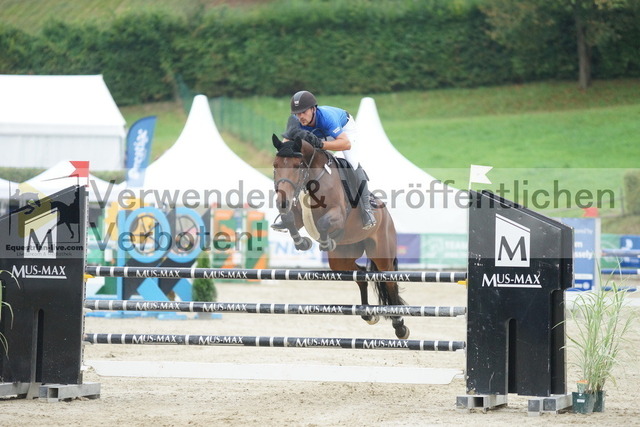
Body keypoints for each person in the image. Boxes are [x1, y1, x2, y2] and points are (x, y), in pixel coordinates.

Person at [272, 90, 376, 231]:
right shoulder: (296, 121)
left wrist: (321, 145)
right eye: (297, 113)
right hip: (318, 135)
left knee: (352, 162)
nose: (300, 116)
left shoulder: (327, 118)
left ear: (313, 109)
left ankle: (367, 209)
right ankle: (288, 215)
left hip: (343, 132)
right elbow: (287, 144)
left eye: (303, 112)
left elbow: (345, 144)